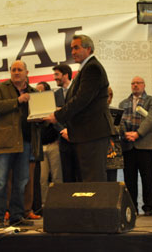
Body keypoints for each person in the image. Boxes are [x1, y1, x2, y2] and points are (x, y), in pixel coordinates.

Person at [44, 35, 111, 182]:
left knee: (94, 177)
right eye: (71, 49)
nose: (73, 52)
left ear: (88, 49)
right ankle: (92, 205)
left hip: (92, 132)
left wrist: (57, 115)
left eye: (76, 47)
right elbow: (76, 99)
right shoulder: (85, 68)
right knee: (88, 177)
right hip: (86, 133)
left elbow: (81, 100)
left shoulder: (92, 68)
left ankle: (97, 205)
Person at [0, 60, 42, 228]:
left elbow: (40, 116)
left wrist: (42, 118)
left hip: (26, 143)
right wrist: (17, 100)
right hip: (5, 142)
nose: (16, 72)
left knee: (21, 181)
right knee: (0, 181)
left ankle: (17, 216)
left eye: (20, 70)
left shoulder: (34, 92)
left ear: (27, 73)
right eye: (13, 70)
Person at [119, 76, 152, 216]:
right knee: (129, 180)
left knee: (147, 178)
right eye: (133, 83)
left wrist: (137, 134)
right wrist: (126, 134)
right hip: (128, 145)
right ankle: (132, 207)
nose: (135, 85)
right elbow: (120, 122)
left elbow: (151, 119)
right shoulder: (123, 103)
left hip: (145, 145)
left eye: (138, 83)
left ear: (144, 85)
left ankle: (148, 207)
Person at [52, 64, 81, 182]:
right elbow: (53, 115)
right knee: (67, 175)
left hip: (79, 139)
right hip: (63, 140)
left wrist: (72, 131)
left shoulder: (78, 90)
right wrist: (62, 130)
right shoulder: (55, 94)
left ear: (66, 75)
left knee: (81, 174)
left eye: (57, 74)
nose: (54, 78)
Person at [36, 82, 63, 207]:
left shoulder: (52, 105)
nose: (39, 93)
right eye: (37, 91)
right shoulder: (34, 106)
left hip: (53, 144)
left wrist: (59, 137)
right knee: (42, 178)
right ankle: (44, 204)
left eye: (41, 91)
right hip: (41, 147)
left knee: (57, 176)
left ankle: (58, 203)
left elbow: (58, 123)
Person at [106, 87, 124, 182]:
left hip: (112, 154)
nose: (107, 99)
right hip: (97, 154)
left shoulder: (116, 112)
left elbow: (120, 129)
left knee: (112, 183)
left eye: (109, 96)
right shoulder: (93, 112)